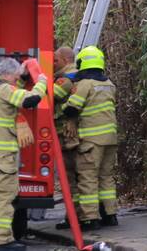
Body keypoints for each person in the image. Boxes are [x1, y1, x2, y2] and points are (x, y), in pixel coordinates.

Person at [0, 58, 48, 251]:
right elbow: (30, 100)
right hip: (4, 155)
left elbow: (12, 95)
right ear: (7, 75)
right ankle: (2, 240)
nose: (16, 81)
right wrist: (41, 82)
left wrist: (20, 78)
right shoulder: (5, 90)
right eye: (15, 78)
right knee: (6, 197)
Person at [62, 45, 117, 230]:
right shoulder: (109, 84)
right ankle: (110, 215)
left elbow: (72, 107)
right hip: (110, 139)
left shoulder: (85, 84)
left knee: (88, 178)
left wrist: (64, 111)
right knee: (106, 177)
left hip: (92, 141)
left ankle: (90, 218)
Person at [51, 47, 79, 230]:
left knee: (69, 178)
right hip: (73, 135)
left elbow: (51, 95)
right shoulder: (77, 75)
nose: (52, 64)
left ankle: (73, 217)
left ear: (66, 60)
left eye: (55, 60)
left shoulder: (67, 78)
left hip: (66, 137)